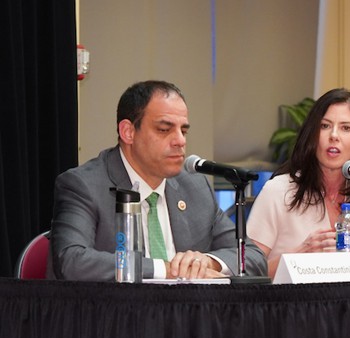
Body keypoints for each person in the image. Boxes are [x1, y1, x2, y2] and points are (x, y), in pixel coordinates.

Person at [49, 80, 267, 280]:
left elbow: (253, 257)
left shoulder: (195, 187)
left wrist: (209, 262)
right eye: (164, 129)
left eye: (184, 130)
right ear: (128, 132)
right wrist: (166, 268)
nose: (180, 141)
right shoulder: (84, 185)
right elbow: (72, 261)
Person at [247, 88, 350, 277]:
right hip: (287, 304)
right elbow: (248, 273)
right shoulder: (278, 191)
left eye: (346, 128)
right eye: (324, 126)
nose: (333, 135)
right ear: (313, 135)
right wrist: (299, 256)